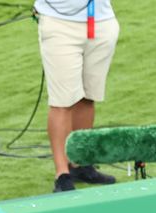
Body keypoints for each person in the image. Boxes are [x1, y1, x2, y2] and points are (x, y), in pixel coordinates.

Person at [35, 0, 120, 192]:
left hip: (101, 22)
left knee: (88, 96)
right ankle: (62, 174)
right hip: (59, 24)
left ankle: (80, 163)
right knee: (62, 102)